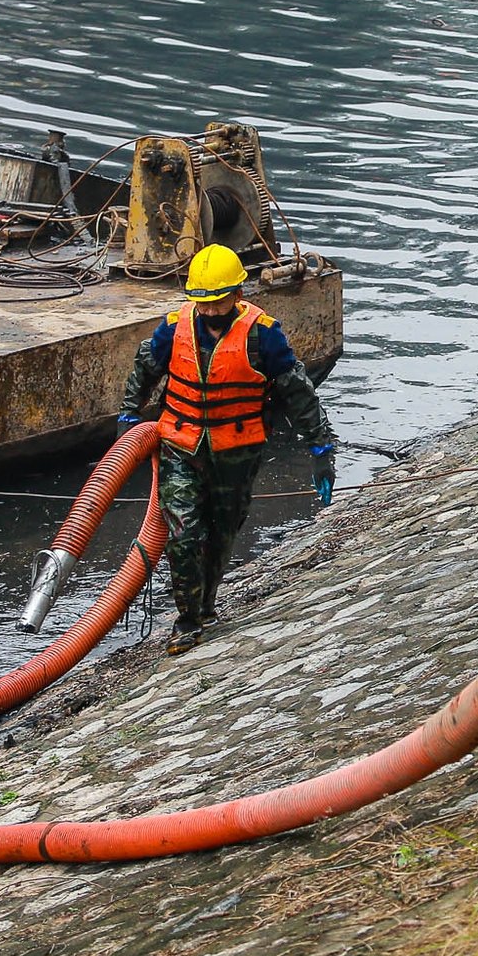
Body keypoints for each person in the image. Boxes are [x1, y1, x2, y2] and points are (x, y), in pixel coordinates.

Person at [120, 244, 337, 655]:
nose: (210, 311)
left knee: (223, 531)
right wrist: (128, 416)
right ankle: (186, 622)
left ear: (238, 295)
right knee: (183, 534)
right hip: (181, 447)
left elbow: (299, 393)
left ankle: (206, 605)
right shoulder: (173, 328)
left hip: (237, 452)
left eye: (218, 302)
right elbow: (144, 368)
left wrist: (321, 448)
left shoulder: (264, 334)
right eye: (202, 303)